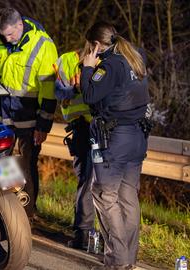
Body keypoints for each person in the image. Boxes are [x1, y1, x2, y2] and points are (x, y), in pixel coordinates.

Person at [79, 22, 150, 269]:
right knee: (128, 197)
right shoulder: (135, 57)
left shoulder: (109, 66)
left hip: (115, 139)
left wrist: (88, 69)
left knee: (104, 195)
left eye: (91, 47)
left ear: (96, 45)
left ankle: (116, 262)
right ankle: (127, 259)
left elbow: (89, 95)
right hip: (137, 137)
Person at [0, 8, 58, 217]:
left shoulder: (43, 46)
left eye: (10, 34)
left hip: (27, 118)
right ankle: (4, 210)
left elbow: (49, 90)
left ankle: (26, 214)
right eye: (3, 35)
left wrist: (43, 126)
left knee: (25, 165)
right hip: (0, 114)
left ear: (20, 25)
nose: (7, 38)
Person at [53, 44, 95, 250]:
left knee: (90, 181)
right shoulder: (66, 60)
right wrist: (73, 89)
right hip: (80, 129)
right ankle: (84, 233)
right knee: (86, 181)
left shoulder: (106, 61)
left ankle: (86, 233)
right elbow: (58, 91)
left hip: (98, 128)